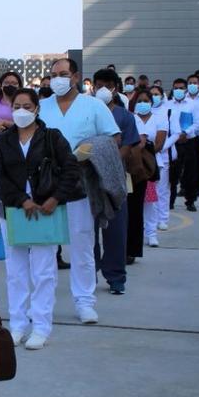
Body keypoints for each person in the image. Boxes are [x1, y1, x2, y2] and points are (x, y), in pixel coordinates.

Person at [0, 88, 81, 350]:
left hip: (46, 211)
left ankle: (41, 326)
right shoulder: (3, 141)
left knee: (44, 272)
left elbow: (71, 169)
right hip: (15, 212)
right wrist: (22, 199)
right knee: (15, 273)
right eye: (16, 106)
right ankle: (17, 325)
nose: (21, 111)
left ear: (37, 109)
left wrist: (55, 198)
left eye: (27, 107)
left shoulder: (52, 138)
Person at [40, 58, 120, 322]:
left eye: (63, 74)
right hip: (48, 182)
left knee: (82, 240)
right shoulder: (42, 106)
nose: (58, 79)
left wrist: (91, 150)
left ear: (75, 77)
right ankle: (42, 303)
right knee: (45, 246)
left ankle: (84, 301)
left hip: (81, 181)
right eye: (53, 75)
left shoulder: (94, 106)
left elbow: (113, 137)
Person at [92, 68, 140, 293]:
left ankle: (116, 276)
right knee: (87, 230)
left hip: (115, 179)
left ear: (115, 89)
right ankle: (89, 274)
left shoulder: (125, 116)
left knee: (116, 229)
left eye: (107, 85)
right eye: (98, 85)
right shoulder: (87, 111)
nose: (102, 89)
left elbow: (128, 146)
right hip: (90, 178)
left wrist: (107, 163)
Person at [167, 76, 199, 212]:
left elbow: (198, 123)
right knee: (173, 173)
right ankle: (170, 201)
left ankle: (190, 201)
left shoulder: (192, 104)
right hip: (173, 142)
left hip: (188, 141)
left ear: (185, 89)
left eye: (181, 88)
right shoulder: (168, 105)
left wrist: (185, 132)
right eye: (176, 88)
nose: (178, 90)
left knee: (190, 172)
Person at [131, 88, 167, 248]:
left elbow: (159, 143)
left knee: (150, 201)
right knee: (134, 202)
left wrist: (144, 151)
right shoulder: (131, 118)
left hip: (150, 165)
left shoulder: (159, 119)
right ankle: (136, 233)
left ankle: (151, 234)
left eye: (146, 101)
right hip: (132, 165)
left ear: (151, 103)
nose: (142, 104)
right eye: (139, 101)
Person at [149, 85, 175, 232]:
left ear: (161, 95)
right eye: (151, 94)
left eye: (156, 94)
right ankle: (151, 219)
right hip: (147, 155)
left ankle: (163, 218)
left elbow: (176, 133)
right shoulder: (143, 112)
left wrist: (162, 146)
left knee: (162, 189)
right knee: (150, 190)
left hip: (162, 154)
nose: (154, 97)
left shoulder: (168, 111)